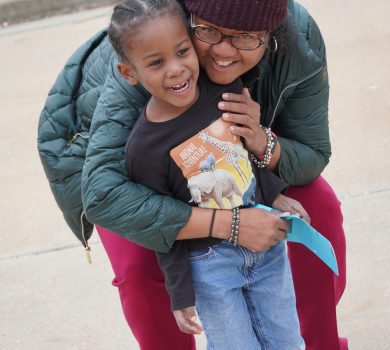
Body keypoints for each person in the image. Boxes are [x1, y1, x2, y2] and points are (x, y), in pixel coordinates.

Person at [37, 0, 347, 349]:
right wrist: (229, 225)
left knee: (318, 208)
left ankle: (319, 343)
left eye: (246, 37)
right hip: (132, 172)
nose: (224, 51)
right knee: (140, 265)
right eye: (209, 31)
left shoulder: (299, 41)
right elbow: (103, 196)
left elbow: (313, 154)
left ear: (271, 35)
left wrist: (261, 140)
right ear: (189, 17)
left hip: (234, 160)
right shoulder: (154, 46)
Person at [107, 1, 308, 348]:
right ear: (129, 73)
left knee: (287, 339)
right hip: (211, 268)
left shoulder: (226, 94)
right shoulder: (143, 149)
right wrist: (180, 293)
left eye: (182, 51)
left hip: (267, 250)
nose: (176, 70)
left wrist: (274, 194)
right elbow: (163, 228)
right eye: (156, 63)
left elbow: (243, 161)